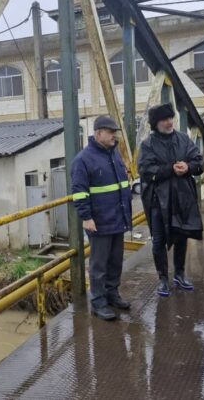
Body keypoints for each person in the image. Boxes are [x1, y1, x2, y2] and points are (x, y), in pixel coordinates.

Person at [139, 103, 204, 297]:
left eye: (170, 118)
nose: (169, 122)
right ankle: (163, 279)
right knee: (158, 240)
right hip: (159, 200)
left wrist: (189, 167)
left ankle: (180, 274)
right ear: (156, 123)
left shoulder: (184, 139)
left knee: (182, 236)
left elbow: (199, 162)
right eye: (164, 119)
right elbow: (145, 170)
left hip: (182, 199)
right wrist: (170, 170)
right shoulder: (148, 144)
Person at [71, 115, 133, 321]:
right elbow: (79, 193)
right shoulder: (83, 159)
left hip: (117, 218)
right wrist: (86, 217)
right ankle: (98, 303)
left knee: (115, 261)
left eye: (115, 132)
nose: (114, 135)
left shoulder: (113, 154)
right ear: (99, 134)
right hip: (99, 222)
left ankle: (112, 295)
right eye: (111, 132)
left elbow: (121, 185)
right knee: (99, 266)